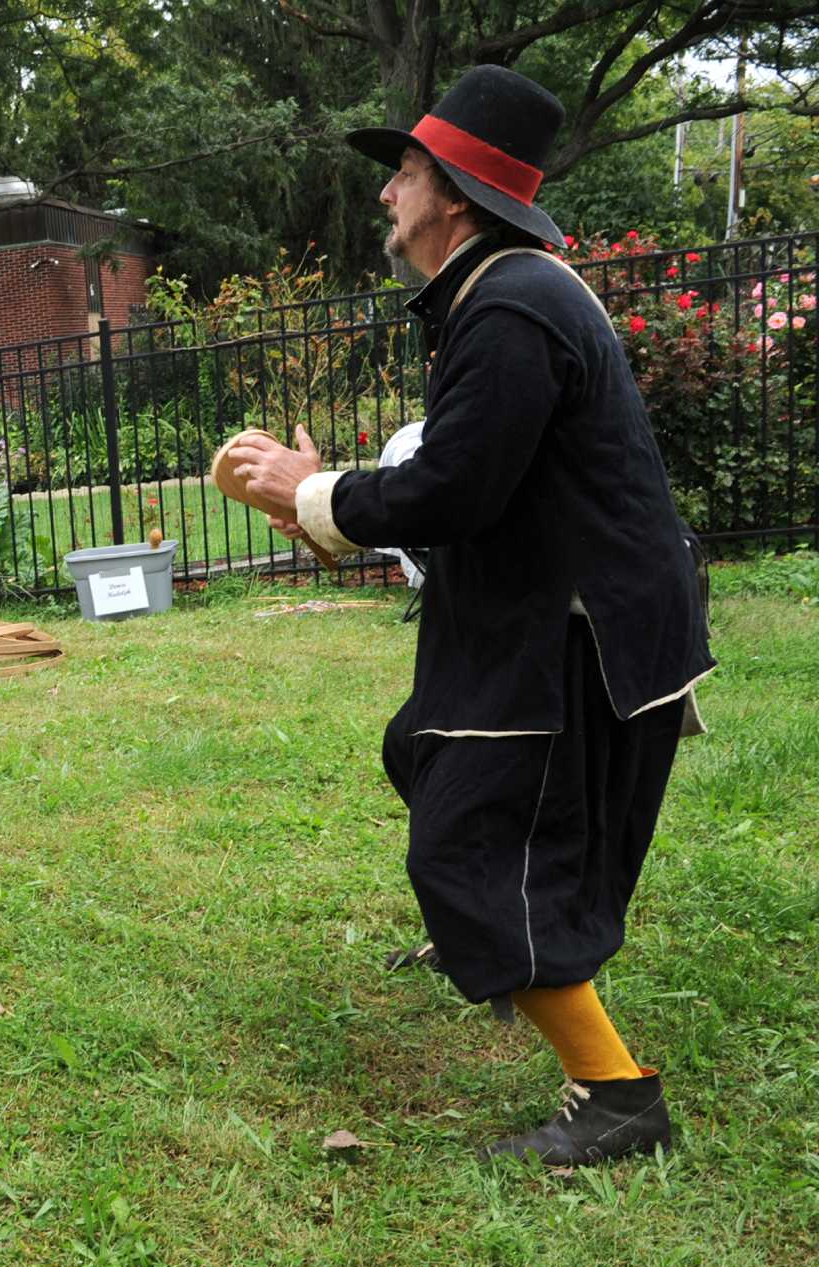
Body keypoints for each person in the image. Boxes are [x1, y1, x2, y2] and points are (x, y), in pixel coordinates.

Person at [228, 66, 714, 1167]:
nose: (385, 193)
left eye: (401, 171)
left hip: (571, 633)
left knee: (474, 846)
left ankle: (616, 1096)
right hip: (544, 612)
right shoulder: (506, 292)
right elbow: (480, 475)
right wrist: (328, 495)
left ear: (450, 191)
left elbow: (454, 489)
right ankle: (493, 940)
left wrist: (309, 495)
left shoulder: (506, 303)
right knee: (423, 750)